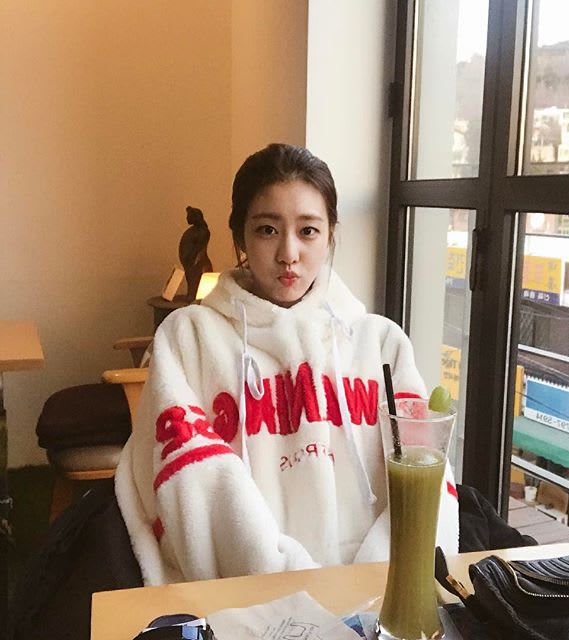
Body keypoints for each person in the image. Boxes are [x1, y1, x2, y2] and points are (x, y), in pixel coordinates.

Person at [115, 142, 460, 585]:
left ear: (330, 235)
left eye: (309, 230)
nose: (289, 253)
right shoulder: (190, 338)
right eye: (267, 230)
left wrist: (368, 589)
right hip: (242, 595)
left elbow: (425, 487)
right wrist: (291, 586)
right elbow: (193, 484)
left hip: (374, 597)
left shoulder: (381, 345)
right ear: (239, 236)